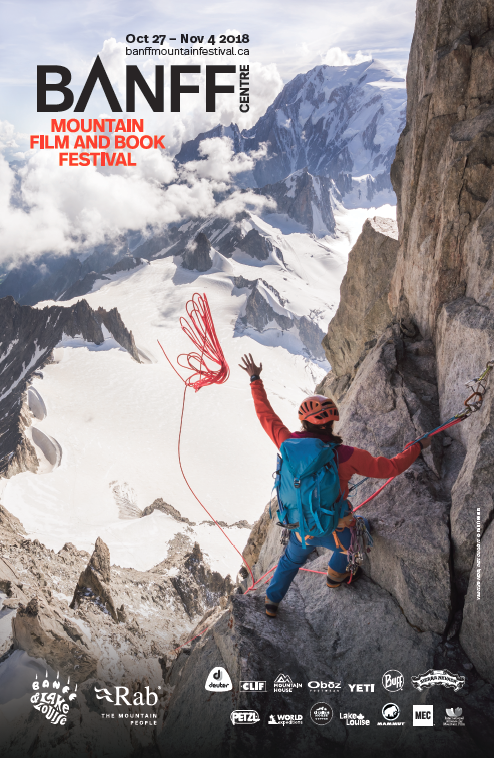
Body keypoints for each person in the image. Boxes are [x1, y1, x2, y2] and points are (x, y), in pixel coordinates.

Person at [239, 353, 432, 618]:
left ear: (304, 422)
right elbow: (390, 468)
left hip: (300, 528)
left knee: (290, 560)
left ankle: (271, 602)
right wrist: (417, 447)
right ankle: (335, 576)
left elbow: (266, 416)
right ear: (330, 423)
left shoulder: (287, 443)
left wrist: (255, 379)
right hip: (334, 527)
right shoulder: (347, 455)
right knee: (359, 533)